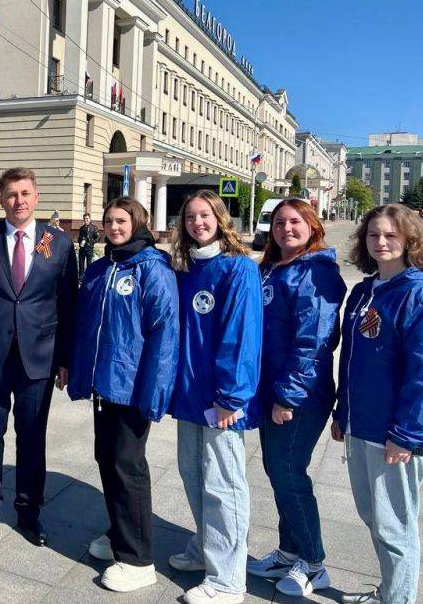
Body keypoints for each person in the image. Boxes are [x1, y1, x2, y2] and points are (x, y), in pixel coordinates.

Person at [333, 204, 423, 604]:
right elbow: (352, 360)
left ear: (409, 240)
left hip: (394, 434)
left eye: (390, 235)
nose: (381, 242)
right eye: (373, 235)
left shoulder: (421, 295)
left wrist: (406, 435)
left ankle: (398, 599)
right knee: (375, 519)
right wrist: (342, 414)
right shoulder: (366, 290)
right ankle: (390, 592)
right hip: (361, 425)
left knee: (395, 526)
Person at [0, 167, 78, 546]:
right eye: (11, 194)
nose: (19, 201)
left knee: (32, 438)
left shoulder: (58, 243)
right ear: (1, 200)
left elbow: (68, 304)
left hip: (38, 358)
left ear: (37, 197)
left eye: (25, 193)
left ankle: (29, 512)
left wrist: (65, 359)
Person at [68, 198, 179, 593]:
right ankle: (119, 534)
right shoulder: (101, 268)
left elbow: (165, 334)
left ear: (139, 223)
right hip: (105, 386)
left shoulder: (152, 268)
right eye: (109, 221)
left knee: (128, 466)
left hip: (132, 388)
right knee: (108, 458)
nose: (115, 227)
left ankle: (137, 559)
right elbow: (86, 326)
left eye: (122, 221)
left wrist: (154, 392)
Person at [247, 198, 346, 597]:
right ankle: (290, 552)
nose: (286, 228)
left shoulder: (316, 271)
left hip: (301, 395)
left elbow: (314, 341)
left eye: (295, 222)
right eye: (279, 222)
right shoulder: (273, 268)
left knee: (289, 473)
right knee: (278, 472)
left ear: (312, 226)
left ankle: (314, 561)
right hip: (272, 390)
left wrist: (287, 396)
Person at [168, 190, 263, 604]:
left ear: (220, 219)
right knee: (193, 476)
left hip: (221, 400)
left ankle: (228, 580)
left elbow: (241, 337)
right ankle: (207, 549)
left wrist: (232, 396)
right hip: (189, 396)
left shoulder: (237, 269)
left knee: (224, 485)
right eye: (190, 216)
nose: (197, 222)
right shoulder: (186, 269)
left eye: (204, 215)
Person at [77, 212, 100, 278]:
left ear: (90, 219)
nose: (85, 220)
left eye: (87, 219)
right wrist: (80, 241)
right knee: (81, 265)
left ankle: (88, 277)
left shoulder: (94, 227)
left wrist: (92, 242)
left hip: (89, 249)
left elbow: (98, 237)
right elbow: (79, 237)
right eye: (84, 219)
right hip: (82, 248)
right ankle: (80, 278)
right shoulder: (82, 228)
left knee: (89, 265)